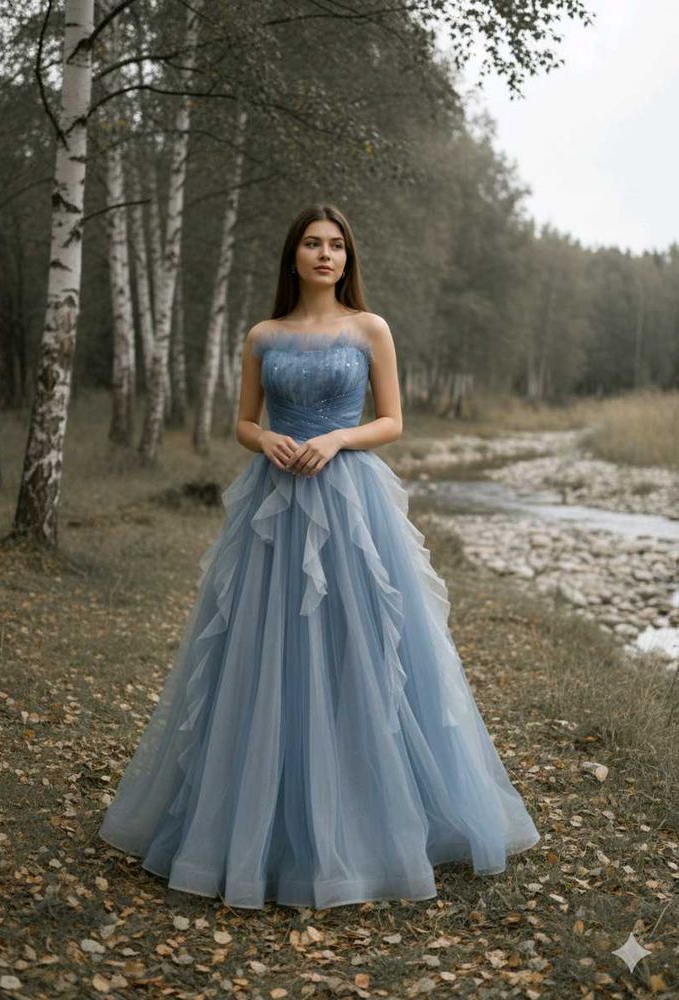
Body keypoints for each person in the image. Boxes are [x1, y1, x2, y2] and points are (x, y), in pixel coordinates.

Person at [98, 203, 541, 909]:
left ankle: (374, 814)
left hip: (351, 502)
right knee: (268, 650)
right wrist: (264, 439)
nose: (326, 254)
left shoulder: (369, 328)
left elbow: (392, 420)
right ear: (294, 255)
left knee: (360, 644)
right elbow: (243, 422)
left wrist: (337, 438)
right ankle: (262, 821)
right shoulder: (263, 334)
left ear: (347, 259)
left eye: (336, 245)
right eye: (312, 243)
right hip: (274, 504)